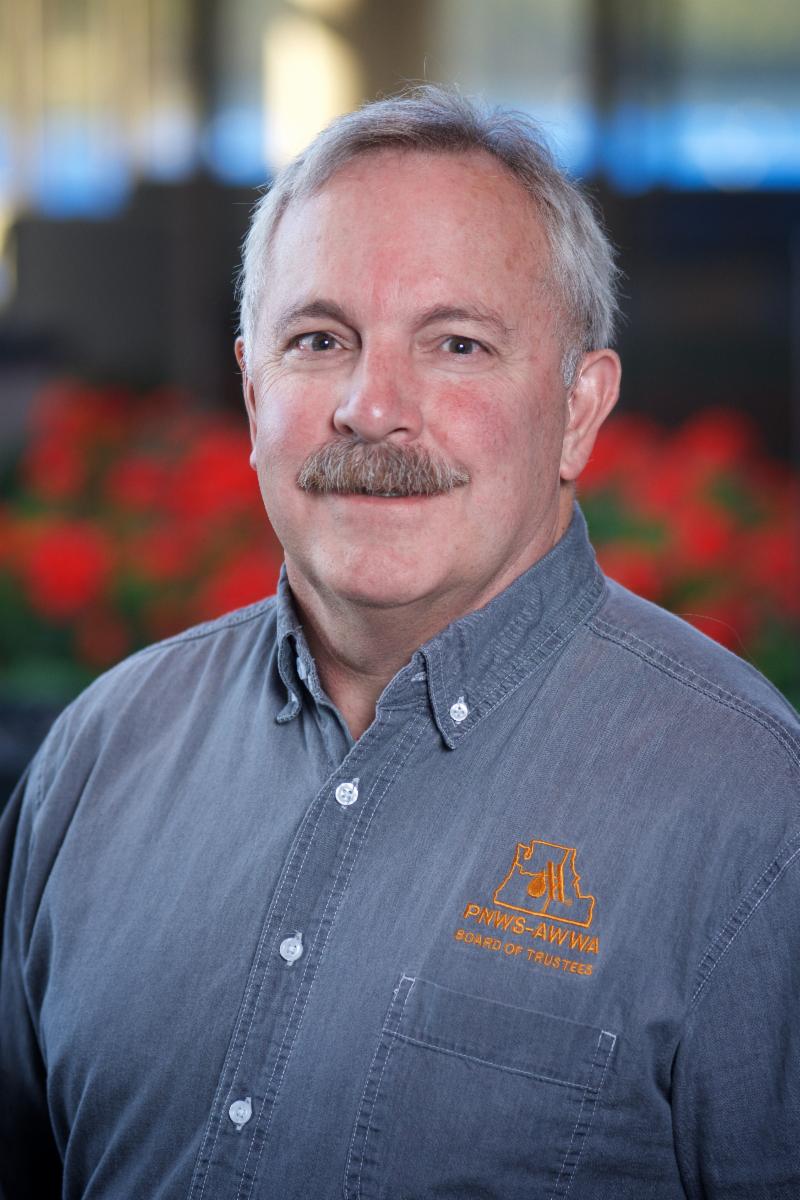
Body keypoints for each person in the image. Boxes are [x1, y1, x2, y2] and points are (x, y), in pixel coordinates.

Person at [1, 86, 798, 1200]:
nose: (371, 408)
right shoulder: (97, 757)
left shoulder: (755, 811)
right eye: (319, 340)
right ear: (253, 391)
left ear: (578, 409)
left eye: (456, 343)